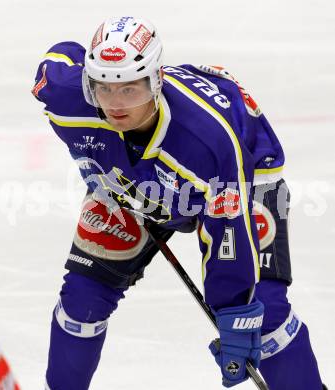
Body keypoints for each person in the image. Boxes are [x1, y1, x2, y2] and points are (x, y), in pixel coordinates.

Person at [32, 16, 326, 389]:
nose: (116, 105)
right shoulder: (67, 100)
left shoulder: (209, 141)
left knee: (263, 314)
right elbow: (58, 58)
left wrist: (235, 311)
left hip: (243, 173)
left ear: (156, 82)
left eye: (131, 90)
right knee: (82, 298)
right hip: (129, 183)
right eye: (103, 89)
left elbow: (229, 237)